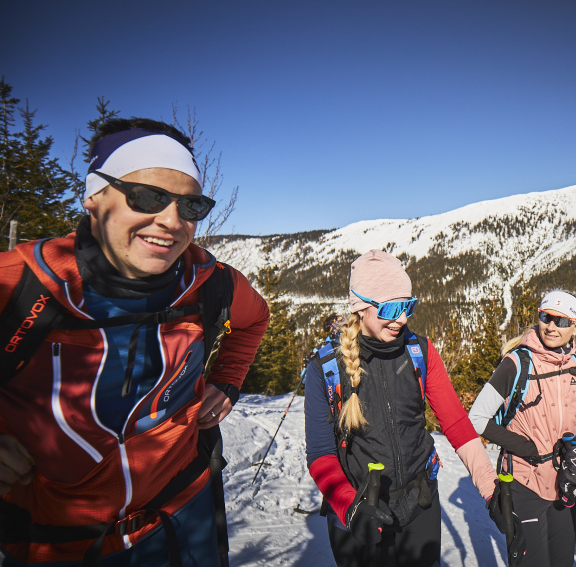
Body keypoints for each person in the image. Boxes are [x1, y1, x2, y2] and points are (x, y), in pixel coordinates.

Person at [0, 118, 270, 566]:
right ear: (94, 196)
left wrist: (228, 380)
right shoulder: (21, 285)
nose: (170, 221)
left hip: (184, 522)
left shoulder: (210, 283)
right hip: (55, 542)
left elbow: (254, 319)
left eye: (190, 206)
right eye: (148, 197)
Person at [304, 250, 496, 567]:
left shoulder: (420, 352)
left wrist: (491, 488)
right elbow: (321, 453)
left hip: (420, 503)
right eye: (393, 308)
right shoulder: (326, 368)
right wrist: (349, 506)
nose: (403, 319)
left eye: (408, 306)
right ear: (361, 307)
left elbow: (457, 424)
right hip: (362, 511)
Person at [468, 290, 576, 567]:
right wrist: (526, 448)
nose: (551, 326)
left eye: (561, 321)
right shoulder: (516, 364)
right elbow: (476, 418)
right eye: (546, 317)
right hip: (523, 482)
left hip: (566, 481)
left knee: (561, 561)